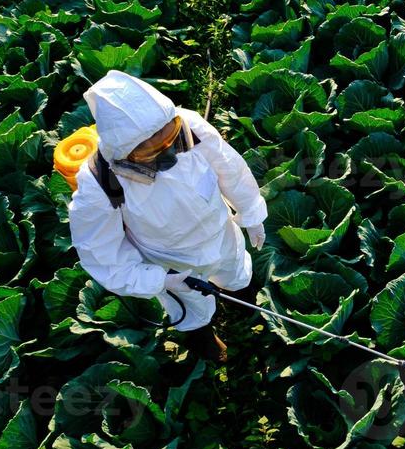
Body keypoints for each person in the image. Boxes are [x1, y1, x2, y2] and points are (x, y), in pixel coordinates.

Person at [66, 69, 267, 361]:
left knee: (237, 274)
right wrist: (156, 280)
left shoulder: (189, 127)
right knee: (191, 310)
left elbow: (230, 168)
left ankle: (246, 309)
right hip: (171, 260)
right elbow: (101, 254)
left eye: (169, 135)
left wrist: (251, 211)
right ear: (126, 153)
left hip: (220, 233)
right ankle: (206, 345)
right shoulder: (99, 183)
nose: (168, 149)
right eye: (152, 148)